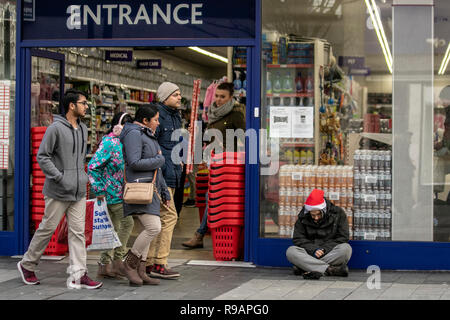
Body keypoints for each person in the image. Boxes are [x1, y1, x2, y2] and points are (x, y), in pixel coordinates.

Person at [17, 89, 102, 289]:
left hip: (78, 190)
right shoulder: (55, 128)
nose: (86, 106)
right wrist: (59, 177)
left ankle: (79, 274)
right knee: (47, 228)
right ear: (72, 105)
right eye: (83, 103)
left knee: (78, 233)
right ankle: (27, 264)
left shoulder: (82, 128)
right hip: (58, 190)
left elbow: (81, 157)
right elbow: (42, 156)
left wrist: (84, 178)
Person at [182, 82, 245, 249]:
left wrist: (230, 149)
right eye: (216, 96)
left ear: (231, 97)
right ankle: (205, 233)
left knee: (212, 197)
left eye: (222, 97)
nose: (218, 99)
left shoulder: (236, 114)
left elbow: (245, 137)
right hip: (214, 163)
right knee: (211, 197)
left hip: (230, 166)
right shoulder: (213, 113)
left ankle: (200, 234)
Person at [119, 104, 171, 286]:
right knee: (153, 227)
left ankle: (141, 271)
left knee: (147, 230)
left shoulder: (147, 134)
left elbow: (156, 170)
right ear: (145, 121)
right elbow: (133, 162)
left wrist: (164, 191)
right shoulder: (134, 134)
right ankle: (129, 264)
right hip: (139, 188)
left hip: (151, 189)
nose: (158, 123)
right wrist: (159, 159)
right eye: (155, 119)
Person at [87, 112, 135, 280]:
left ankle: (105, 265)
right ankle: (117, 260)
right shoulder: (110, 143)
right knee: (127, 223)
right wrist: (99, 190)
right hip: (110, 194)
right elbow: (92, 166)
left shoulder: (121, 142)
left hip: (119, 193)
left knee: (112, 228)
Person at [144, 82, 182, 279]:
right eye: (175, 95)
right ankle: (160, 262)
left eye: (179, 94)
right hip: (161, 175)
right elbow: (152, 145)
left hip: (172, 173)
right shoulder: (157, 117)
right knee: (169, 217)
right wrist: (160, 169)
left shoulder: (176, 117)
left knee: (159, 218)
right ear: (164, 97)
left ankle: (150, 262)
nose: (179, 97)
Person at [286, 189, 352, 280]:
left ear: (323, 210)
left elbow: (343, 237)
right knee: (291, 251)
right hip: (310, 253)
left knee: (345, 249)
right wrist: (314, 250)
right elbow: (298, 238)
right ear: (308, 212)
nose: (316, 218)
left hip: (329, 252)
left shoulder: (338, 213)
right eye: (313, 215)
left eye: (318, 214)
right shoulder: (303, 216)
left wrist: (324, 249)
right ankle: (329, 269)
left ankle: (304, 267)